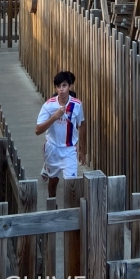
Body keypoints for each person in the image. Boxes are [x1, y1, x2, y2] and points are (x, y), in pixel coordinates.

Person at [35, 70, 86, 198]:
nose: (61, 89)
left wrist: (82, 150)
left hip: (69, 149)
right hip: (52, 148)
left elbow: (82, 124)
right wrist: (54, 117)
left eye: (64, 85)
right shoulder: (48, 105)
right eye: (58, 86)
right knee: (53, 181)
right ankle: (52, 205)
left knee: (71, 183)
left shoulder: (77, 105)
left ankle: (71, 211)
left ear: (70, 86)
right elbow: (38, 130)